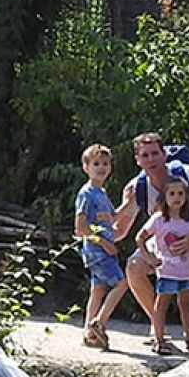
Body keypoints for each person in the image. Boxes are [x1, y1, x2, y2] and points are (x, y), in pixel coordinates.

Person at [114, 132, 189, 349]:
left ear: (164, 154)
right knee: (134, 266)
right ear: (138, 160)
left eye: (155, 153)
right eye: (145, 155)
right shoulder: (137, 187)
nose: (151, 159)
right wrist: (94, 236)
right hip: (163, 242)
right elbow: (120, 230)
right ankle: (159, 327)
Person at [136, 177, 189, 354]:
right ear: (164, 197)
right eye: (172, 193)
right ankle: (159, 339)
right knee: (162, 304)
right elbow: (140, 237)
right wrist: (149, 258)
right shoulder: (158, 219)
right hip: (166, 271)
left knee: (186, 304)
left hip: (185, 271)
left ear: (186, 197)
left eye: (180, 193)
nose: (176, 197)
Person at [73, 143, 128, 349]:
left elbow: (112, 217)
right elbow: (80, 228)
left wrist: (129, 202)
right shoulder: (86, 194)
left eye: (105, 163)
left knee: (97, 291)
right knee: (122, 284)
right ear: (86, 167)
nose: (101, 167)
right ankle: (99, 323)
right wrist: (105, 244)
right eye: (96, 163)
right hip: (97, 251)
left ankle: (89, 334)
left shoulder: (102, 193)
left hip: (103, 249)